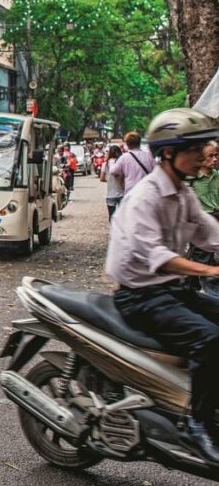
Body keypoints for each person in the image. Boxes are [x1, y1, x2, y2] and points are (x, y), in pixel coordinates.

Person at [106, 108, 219, 463]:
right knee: (210, 341)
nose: (203, 156)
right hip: (140, 298)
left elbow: (210, 235)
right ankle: (195, 424)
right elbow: (159, 257)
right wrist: (212, 273)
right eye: (195, 149)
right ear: (168, 152)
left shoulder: (183, 195)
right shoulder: (144, 197)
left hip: (174, 292)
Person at [191, 141, 219, 216]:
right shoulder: (191, 178)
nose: (215, 159)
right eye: (210, 156)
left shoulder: (217, 175)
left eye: (216, 155)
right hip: (203, 219)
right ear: (200, 157)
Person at [99, 144, 124, 220]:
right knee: (123, 217)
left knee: (112, 216)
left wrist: (109, 180)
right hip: (121, 193)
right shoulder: (121, 163)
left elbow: (101, 178)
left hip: (110, 194)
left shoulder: (105, 164)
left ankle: (114, 230)